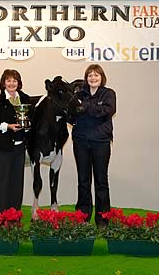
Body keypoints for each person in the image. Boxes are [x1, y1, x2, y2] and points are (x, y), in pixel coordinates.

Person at [71, 64, 116, 227]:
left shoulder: (109, 93)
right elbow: (72, 113)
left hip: (101, 142)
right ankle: (82, 217)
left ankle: (102, 219)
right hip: (81, 142)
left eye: (96, 75)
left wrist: (86, 107)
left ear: (101, 77)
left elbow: (107, 111)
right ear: (86, 78)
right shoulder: (78, 94)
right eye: (90, 75)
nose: (93, 78)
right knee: (83, 180)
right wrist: (87, 108)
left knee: (101, 181)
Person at [0, 69, 30, 213]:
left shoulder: (25, 99)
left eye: (14, 80)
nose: (12, 83)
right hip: (3, 149)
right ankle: (0, 218)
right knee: (3, 183)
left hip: (19, 148)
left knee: (17, 184)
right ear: (3, 83)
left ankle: (14, 217)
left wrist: (28, 126)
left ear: (19, 83)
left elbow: (32, 120)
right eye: (9, 80)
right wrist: (8, 126)